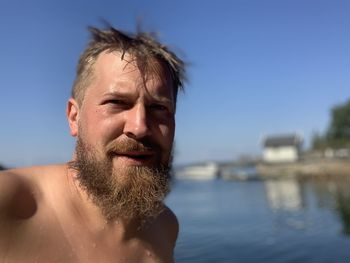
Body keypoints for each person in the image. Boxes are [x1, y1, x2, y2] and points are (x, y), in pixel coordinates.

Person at [0, 25, 186, 262]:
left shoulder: (165, 226)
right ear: (74, 118)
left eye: (159, 108)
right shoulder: (10, 204)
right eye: (117, 102)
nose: (140, 126)